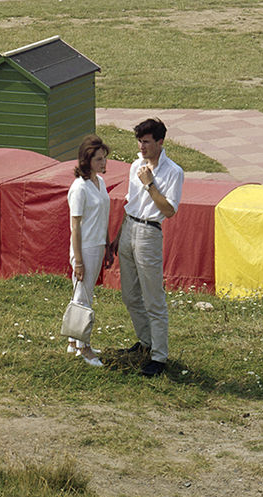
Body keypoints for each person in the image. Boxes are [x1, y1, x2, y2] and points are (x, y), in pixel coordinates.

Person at [115, 118, 183, 378]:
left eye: (146, 142)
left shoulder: (173, 172)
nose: (141, 147)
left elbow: (169, 210)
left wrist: (150, 183)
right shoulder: (135, 165)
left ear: (160, 142)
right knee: (130, 295)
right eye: (139, 141)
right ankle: (145, 343)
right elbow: (130, 202)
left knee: (153, 298)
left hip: (149, 232)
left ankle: (159, 357)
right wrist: (119, 235)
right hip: (129, 227)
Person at [65, 135, 111, 368]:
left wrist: (108, 242)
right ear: (87, 160)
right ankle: (84, 347)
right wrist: (79, 261)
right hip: (85, 248)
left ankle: (74, 342)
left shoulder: (99, 182)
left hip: (98, 244)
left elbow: (102, 214)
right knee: (84, 297)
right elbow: (75, 225)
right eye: (99, 159)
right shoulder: (79, 188)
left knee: (83, 293)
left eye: (104, 158)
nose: (104, 163)